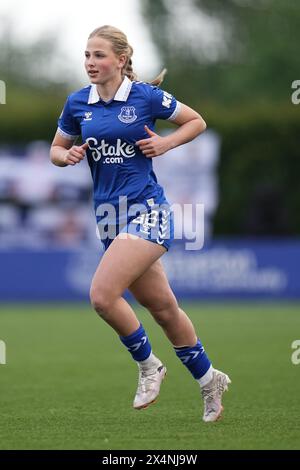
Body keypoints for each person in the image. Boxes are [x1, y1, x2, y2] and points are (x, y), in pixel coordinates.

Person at [50, 25, 231, 422]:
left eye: (99, 55)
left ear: (120, 59)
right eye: (86, 55)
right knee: (163, 308)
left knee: (102, 295)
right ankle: (209, 380)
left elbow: (196, 121)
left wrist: (166, 143)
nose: (90, 63)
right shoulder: (78, 103)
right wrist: (69, 156)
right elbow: (55, 150)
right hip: (108, 218)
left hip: (148, 210)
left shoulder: (145, 96)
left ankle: (149, 365)